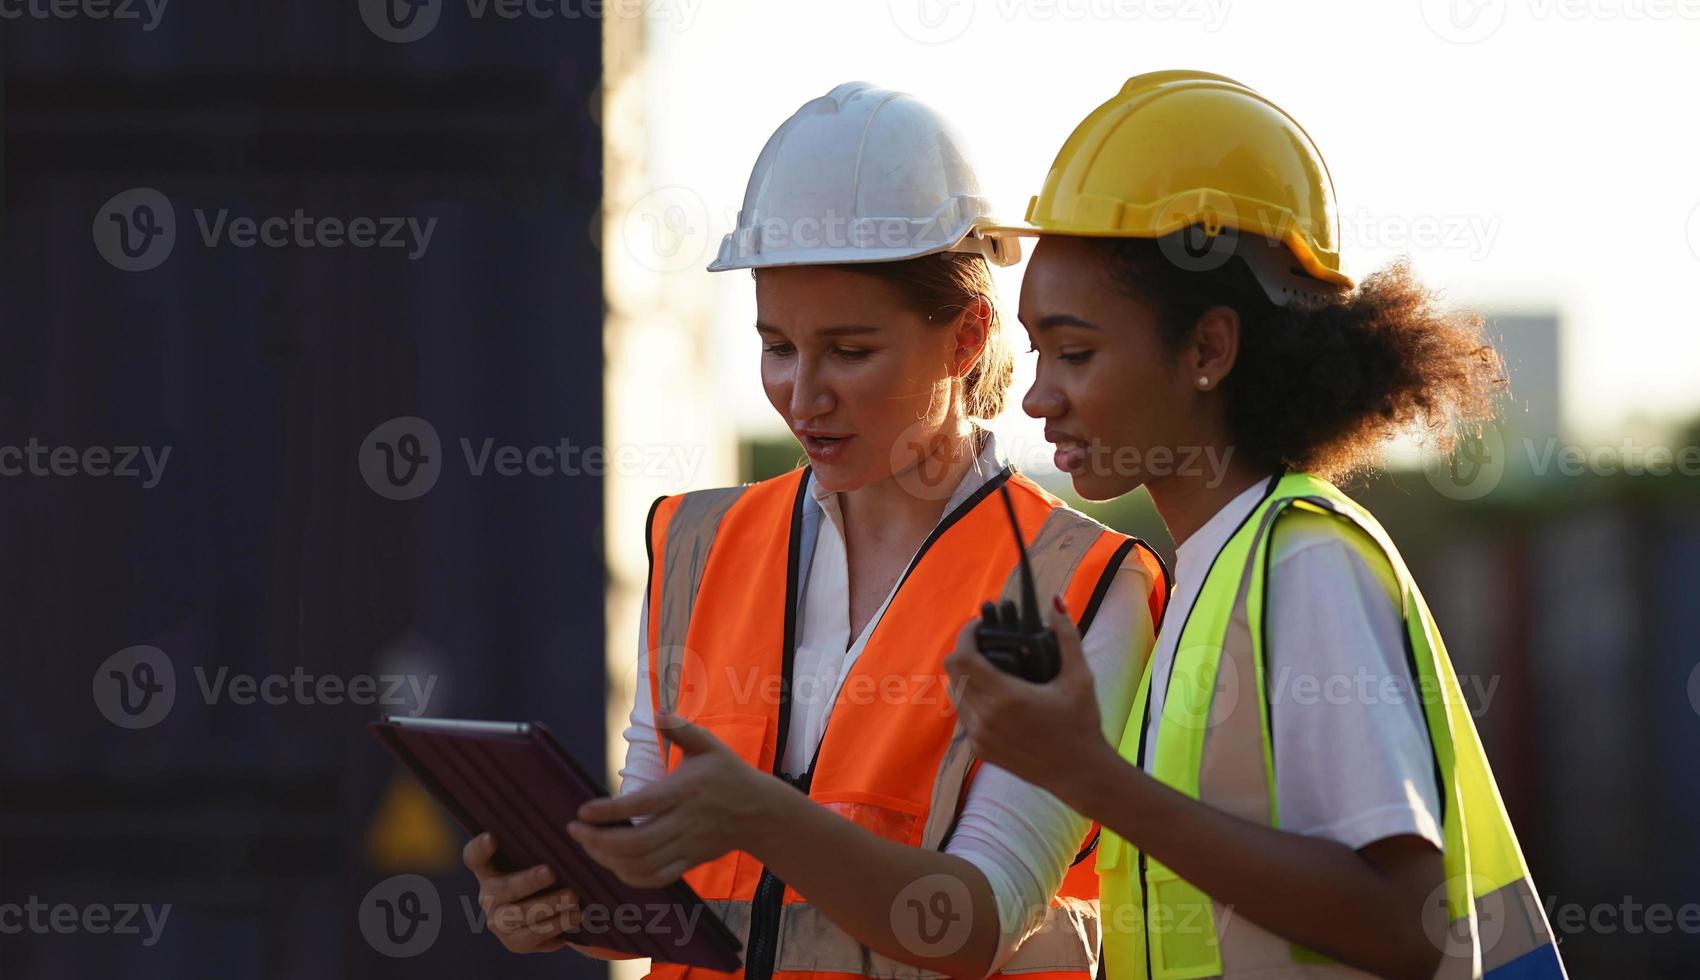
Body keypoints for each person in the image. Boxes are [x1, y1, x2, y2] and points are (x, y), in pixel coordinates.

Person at [462, 81, 1169, 980]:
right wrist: (565, 904)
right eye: (778, 347)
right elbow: (665, 894)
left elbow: (973, 925)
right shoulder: (698, 543)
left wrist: (761, 816)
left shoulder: (1084, 586)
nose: (803, 396)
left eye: (849, 351)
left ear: (967, 337)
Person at [944, 71, 1567, 979]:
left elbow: (1405, 924)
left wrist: (1085, 773)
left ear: (1207, 350)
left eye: (1075, 353)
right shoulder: (1207, 575)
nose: (1039, 396)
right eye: (1038, 353)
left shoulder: (1306, 560)